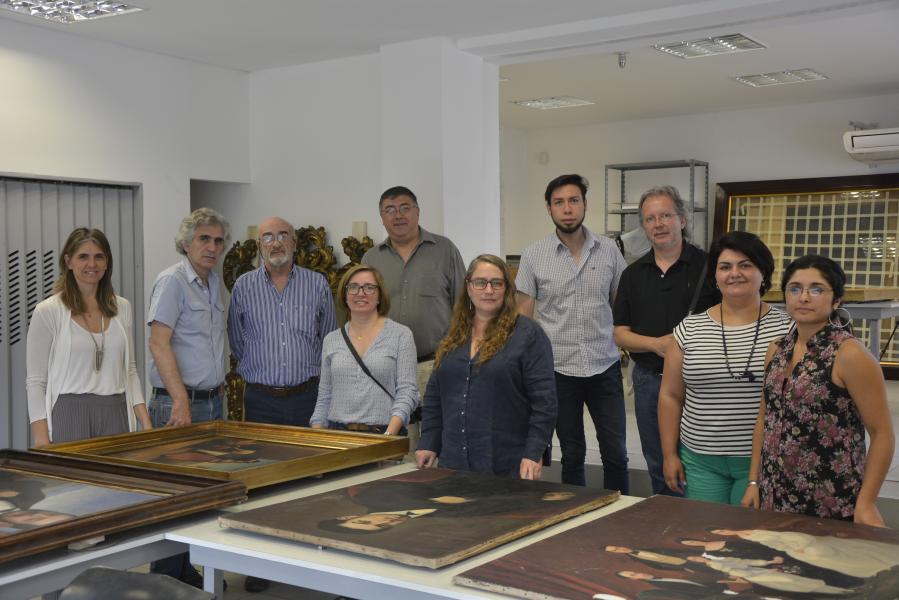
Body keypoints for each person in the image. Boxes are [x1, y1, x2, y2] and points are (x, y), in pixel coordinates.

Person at [742, 255, 895, 526]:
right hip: (774, 494)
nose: (804, 297)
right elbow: (764, 419)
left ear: (836, 300)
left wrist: (867, 501)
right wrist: (754, 481)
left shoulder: (849, 354)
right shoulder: (777, 350)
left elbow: (882, 433)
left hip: (830, 500)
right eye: (795, 288)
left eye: (816, 289)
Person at [227, 216, 337, 593]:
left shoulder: (317, 283)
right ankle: (262, 563)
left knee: (307, 482)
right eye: (268, 237)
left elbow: (329, 341)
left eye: (283, 236)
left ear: (295, 242)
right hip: (261, 400)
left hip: (307, 396)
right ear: (259, 245)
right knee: (262, 486)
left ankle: (305, 558)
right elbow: (237, 341)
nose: (276, 243)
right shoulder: (242, 287)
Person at [659, 231, 791, 504]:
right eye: (725, 266)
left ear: (763, 272)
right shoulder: (689, 328)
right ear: (715, 276)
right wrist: (669, 454)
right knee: (705, 537)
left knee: (749, 540)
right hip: (700, 460)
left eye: (745, 265)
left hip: (760, 460)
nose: (735, 273)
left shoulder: (788, 329)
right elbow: (670, 396)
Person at [516, 174, 629, 490]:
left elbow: (620, 307)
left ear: (584, 205)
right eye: (559, 202)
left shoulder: (608, 251)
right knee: (572, 453)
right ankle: (574, 516)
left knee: (616, 453)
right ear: (549, 208)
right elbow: (523, 320)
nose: (567, 209)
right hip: (558, 370)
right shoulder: (534, 255)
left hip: (604, 366)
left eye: (574, 200)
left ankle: (621, 515)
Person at [613, 186, 719, 495]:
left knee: (702, 464)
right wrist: (657, 345)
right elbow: (620, 333)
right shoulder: (632, 275)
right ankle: (670, 533)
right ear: (643, 226)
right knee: (660, 465)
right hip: (650, 382)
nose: (658, 224)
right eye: (650, 218)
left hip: (700, 382)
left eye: (665, 216)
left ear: (683, 220)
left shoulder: (711, 268)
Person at [146, 208, 229, 587]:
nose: (213, 247)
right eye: (204, 239)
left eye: (218, 240)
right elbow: (158, 344)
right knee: (172, 496)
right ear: (186, 243)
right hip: (178, 403)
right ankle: (164, 580)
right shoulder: (172, 281)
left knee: (200, 497)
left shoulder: (213, 282)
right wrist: (180, 400)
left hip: (211, 402)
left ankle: (184, 571)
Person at [417, 254, 556, 479]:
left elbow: (545, 402)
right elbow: (435, 394)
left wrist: (534, 452)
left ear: (507, 289)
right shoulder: (452, 335)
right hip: (453, 461)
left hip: (507, 463)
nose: (488, 290)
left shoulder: (528, 335)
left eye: (497, 283)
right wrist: (429, 441)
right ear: (469, 287)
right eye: (480, 282)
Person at [26, 228, 151, 446]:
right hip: (69, 413)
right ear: (68, 261)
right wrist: (41, 441)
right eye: (83, 256)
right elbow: (36, 382)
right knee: (72, 481)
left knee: (116, 480)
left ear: (107, 262)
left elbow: (130, 371)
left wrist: (147, 426)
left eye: (99, 256)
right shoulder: (48, 311)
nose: (91, 264)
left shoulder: (122, 308)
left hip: (116, 412)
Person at [361, 186, 466, 443]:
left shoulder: (445, 250)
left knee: (438, 441)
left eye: (405, 208)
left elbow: (463, 307)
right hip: (389, 368)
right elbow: (364, 313)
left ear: (417, 212)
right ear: (382, 217)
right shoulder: (371, 258)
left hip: (435, 364)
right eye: (390, 210)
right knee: (398, 443)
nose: (398, 215)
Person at [310, 264, 418, 435]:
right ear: (345, 295)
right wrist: (317, 434)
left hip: (384, 433)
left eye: (369, 287)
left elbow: (407, 392)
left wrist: (388, 436)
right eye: (353, 287)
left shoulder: (401, 335)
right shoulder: (331, 340)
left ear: (380, 296)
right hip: (337, 434)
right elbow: (324, 396)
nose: (361, 293)